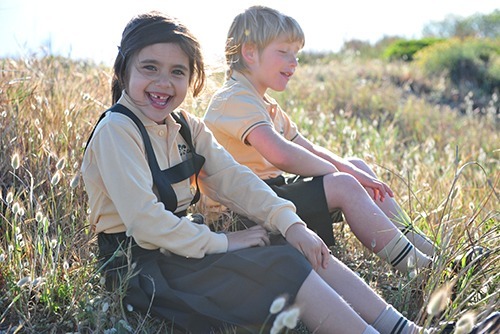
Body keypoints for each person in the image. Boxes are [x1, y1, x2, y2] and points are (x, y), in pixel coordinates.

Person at [81, 10, 495, 334]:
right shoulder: (118, 129)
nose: (164, 83)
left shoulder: (186, 126)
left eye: (178, 72)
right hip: (144, 271)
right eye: (149, 67)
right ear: (124, 70)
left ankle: (409, 329)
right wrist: (227, 242)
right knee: (283, 266)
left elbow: (235, 180)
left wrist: (291, 223)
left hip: (184, 250)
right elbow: (146, 224)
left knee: (297, 248)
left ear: (192, 78)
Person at [203, 5, 437, 275]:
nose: (294, 62)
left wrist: (351, 170)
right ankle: (418, 268)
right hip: (239, 213)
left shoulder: (263, 102)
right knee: (345, 183)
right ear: (250, 52)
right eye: (283, 52)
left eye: (297, 54)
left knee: (356, 167)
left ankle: (430, 251)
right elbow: (281, 154)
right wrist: (342, 175)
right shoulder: (234, 98)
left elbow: (307, 148)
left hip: (268, 196)